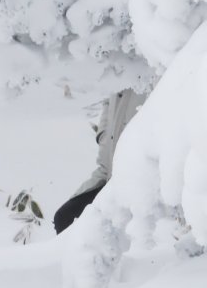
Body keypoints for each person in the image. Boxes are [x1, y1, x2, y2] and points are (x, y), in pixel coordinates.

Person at [53, 90, 144, 233]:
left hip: (137, 182)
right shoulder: (123, 70)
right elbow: (109, 99)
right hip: (107, 169)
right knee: (64, 217)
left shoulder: (154, 72)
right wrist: (104, 137)